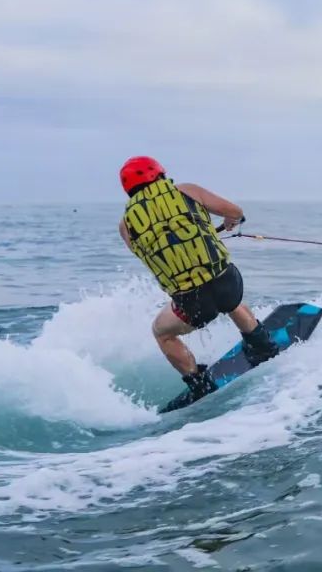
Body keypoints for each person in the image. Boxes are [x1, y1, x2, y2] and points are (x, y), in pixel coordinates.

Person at [117, 156, 278, 400]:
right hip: (228, 283)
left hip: (193, 303)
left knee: (161, 332)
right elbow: (235, 212)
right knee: (229, 299)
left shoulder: (126, 225)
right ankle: (262, 346)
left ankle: (199, 384)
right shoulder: (186, 191)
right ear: (159, 173)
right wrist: (228, 222)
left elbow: (148, 253)